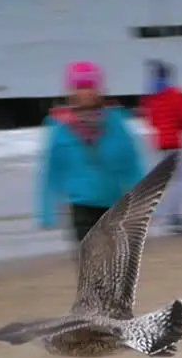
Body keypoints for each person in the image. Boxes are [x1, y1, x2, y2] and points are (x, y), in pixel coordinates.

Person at [38, 61, 148, 258]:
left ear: (100, 89)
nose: (86, 92)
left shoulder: (115, 122)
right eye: (80, 87)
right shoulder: (61, 128)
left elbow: (131, 163)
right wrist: (47, 211)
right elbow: (53, 172)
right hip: (82, 207)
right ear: (71, 91)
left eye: (91, 86)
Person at [139, 60, 182, 233]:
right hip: (176, 141)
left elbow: (149, 120)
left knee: (168, 182)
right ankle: (179, 216)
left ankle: (169, 216)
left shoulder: (150, 97)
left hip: (159, 142)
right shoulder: (176, 94)